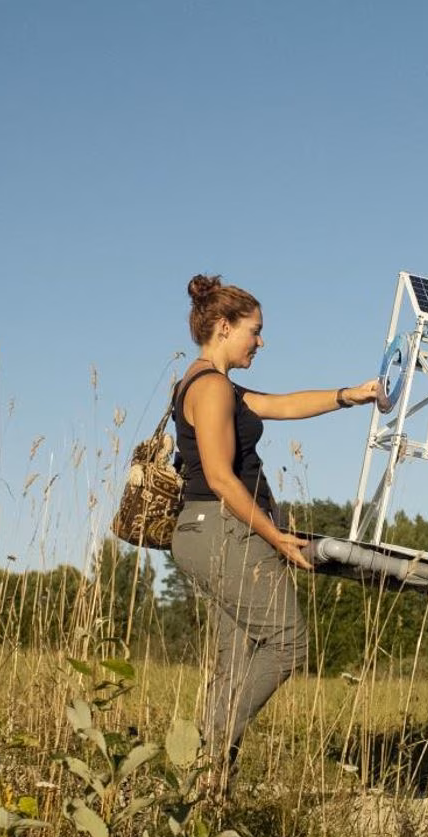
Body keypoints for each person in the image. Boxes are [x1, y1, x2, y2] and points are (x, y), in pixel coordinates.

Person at [170, 273, 378, 791]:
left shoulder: (211, 383)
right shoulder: (212, 387)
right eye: (254, 331)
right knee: (287, 643)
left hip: (205, 532)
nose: (260, 341)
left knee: (235, 659)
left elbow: (281, 404)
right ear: (223, 326)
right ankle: (206, 750)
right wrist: (276, 535)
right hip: (225, 530)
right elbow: (220, 477)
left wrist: (351, 395)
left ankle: (207, 787)